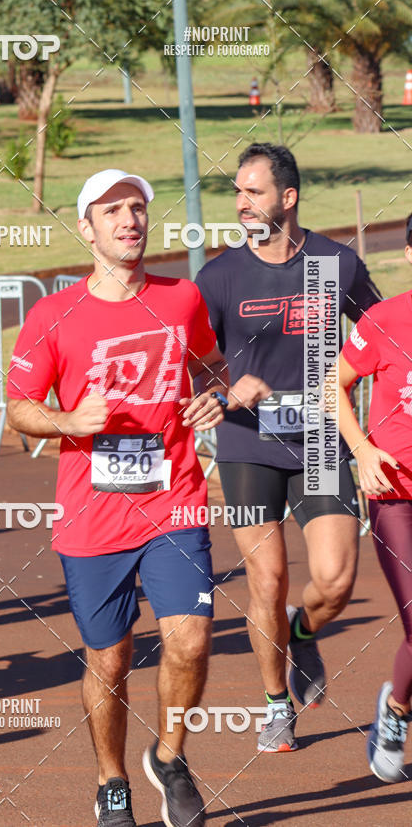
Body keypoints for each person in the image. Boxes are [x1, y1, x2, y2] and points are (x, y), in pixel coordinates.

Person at [7, 169, 267, 827]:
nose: (129, 219)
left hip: (174, 501)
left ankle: (171, 755)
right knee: (110, 657)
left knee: (192, 641)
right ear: (86, 227)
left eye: (137, 208)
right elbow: (19, 408)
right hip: (92, 514)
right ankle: (111, 779)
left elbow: (212, 364)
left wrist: (213, 393)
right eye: (112, 210)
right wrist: (67, 422)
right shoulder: (53, 313)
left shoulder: (181, 299)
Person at [195, 142, 382, 753]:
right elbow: (194, 364)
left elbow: (385, 333)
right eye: (238, 192)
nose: (242, 203)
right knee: (267, 580)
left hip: (324, 442)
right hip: (247, 446)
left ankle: (302, 633)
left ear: (288, 197)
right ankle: (276, 702)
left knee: (334, 582)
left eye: (254, 191)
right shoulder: (219, 276)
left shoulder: (335, 264)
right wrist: (227, 386)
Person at [337, 215, 412, 783]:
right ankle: (397, 710)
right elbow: (329, 385)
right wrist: (361, 449)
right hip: (396, 494)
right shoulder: (384, 320)